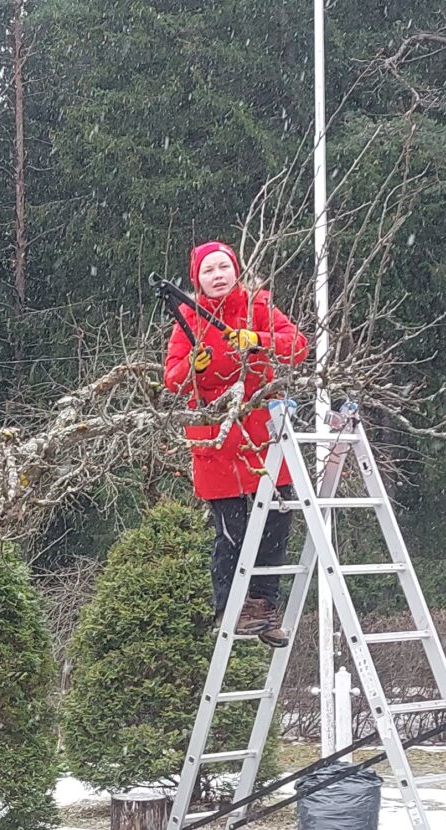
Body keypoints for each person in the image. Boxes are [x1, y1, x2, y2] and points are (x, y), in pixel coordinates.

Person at [162, 240, 309, 648]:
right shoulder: (187, 318)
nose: (218, 275)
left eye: (223, 267)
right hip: (217, 438)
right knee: (233, 532)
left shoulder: (258, 307)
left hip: (262, 435)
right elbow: (171, 378)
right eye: (208, 270)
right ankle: (230, 608)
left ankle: (263, 608)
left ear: (237, 271)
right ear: (197, 280)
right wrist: (193, 367)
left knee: (276, 523)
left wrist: (259, 339)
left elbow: (297, 346)